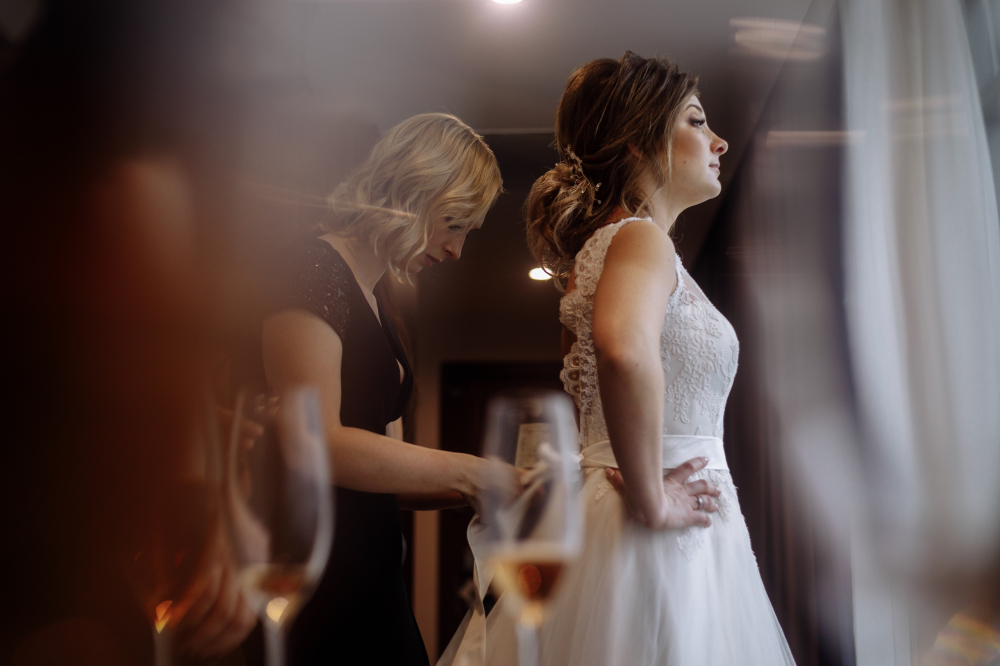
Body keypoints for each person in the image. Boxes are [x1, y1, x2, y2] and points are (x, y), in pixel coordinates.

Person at [483, 52, 795, 665]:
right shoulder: (639, 238)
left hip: (620, 511)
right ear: (637, 141)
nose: (720, 141)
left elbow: (590, 411)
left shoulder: (601, 257)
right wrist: (652, 498)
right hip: (654, 521)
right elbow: (623, 349)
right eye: (697, 121)